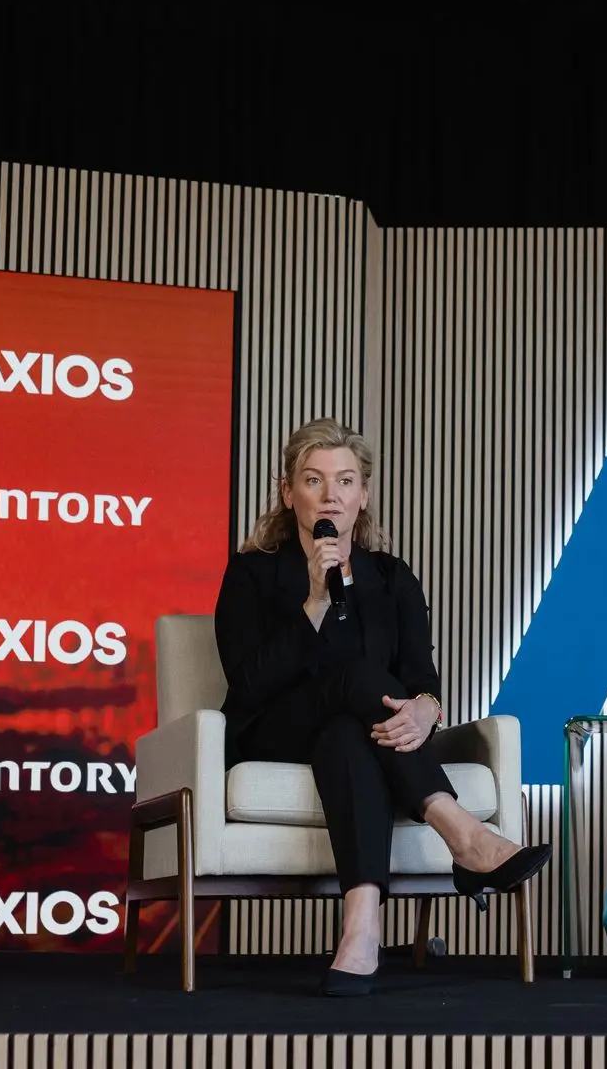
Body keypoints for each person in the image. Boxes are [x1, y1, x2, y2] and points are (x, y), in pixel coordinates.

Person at [215, 418, 549, 996]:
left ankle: (361, 930)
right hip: (272, 730)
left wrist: (426, 709)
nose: (330, 494)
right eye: (314, 479)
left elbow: (422, 679)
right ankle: (461, 832)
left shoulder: (393, 579)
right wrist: (316, 602)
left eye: (345, 481)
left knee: (348, 734)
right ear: (288, 491)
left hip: (361, 740)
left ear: (363, 494)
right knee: (351, 682)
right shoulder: (251, 573)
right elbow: (246, 683)